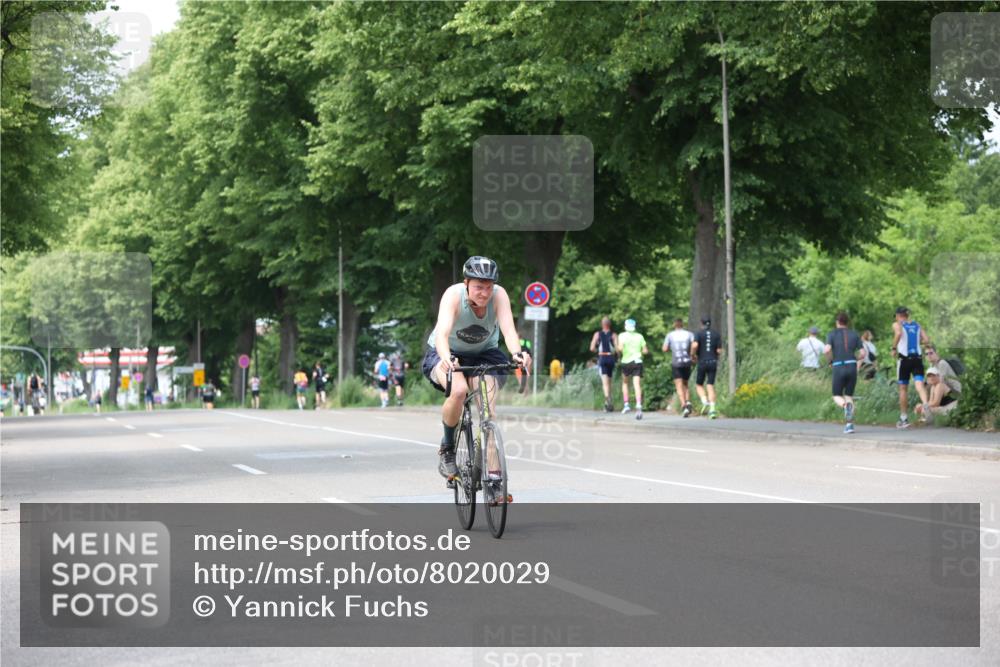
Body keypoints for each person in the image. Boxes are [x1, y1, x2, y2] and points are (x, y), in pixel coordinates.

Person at [422, 255, 531, 484]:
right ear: (466, 284)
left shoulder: (499, 295)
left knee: (488, 412)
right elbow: (442, 334)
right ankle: (448, 447)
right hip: (446, 351)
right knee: (459, 391)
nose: (484, 293)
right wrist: (446, 357)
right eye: (479, 287)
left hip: (484, 353)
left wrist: (517, 354)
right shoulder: (453, 295)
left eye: (488, 287)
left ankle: (493, 477)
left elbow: (509, 331)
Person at [891, 306, 931, 429]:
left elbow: (898, 333)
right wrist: (916, 342)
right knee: (919, 384)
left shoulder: (897, 324)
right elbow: (927, 340)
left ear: (898, 315)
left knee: (903, 388)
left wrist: (893, 348)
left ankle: (904, 418)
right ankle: (925, 406)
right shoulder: (917, 325)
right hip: (917, 359)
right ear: (907, 315)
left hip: (904, 359)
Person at [823, 312, 863, 434]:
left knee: (836, 395)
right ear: (847, 322)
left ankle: (845, 407)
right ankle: (849, 425)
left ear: (837, 322)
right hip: (851, 365)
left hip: (838, 366)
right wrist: (855, 360)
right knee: (849, 395)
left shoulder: (831, 334)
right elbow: (863, 353)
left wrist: (830, 360)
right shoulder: (855, 334)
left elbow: (827, 349)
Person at [691, 316, 723, 418]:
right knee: (710, 385)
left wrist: (693, 355)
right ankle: (712, 409)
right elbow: (719, 351)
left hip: (702, 361)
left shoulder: (698, 333)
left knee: (699, 384)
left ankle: (705, 401)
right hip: (713, 361)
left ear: (701, 323)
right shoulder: (716, 334)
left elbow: (695, 345)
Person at [663, 318, 695, 417]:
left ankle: (684, 405)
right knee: (685, 383)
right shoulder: (689, 334)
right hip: (687, 362)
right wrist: (692, 356)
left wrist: (670, 348)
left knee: (678, 385)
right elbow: (694, 345)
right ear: (682, 325)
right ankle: (688, 401)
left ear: (674, 325)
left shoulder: (670, 335)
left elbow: (664, 349)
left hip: (676, 362)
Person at [617, 318, 649, 420]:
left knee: (625, 383)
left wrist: (623, 348)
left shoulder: (622, 335)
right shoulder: (640, 336)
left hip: (626, 362)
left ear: (626, 326)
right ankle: (638, 405)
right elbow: (645, 351)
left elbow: (620, 348)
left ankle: (626, 404)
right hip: (637, 362)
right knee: (637, 384)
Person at [589, 317, 619, 412]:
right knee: (609, 381)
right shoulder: (614, 335)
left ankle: (607, 402)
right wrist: (618, 357)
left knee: (604, 382)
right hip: (611, 359)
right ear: (609, 325)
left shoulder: (597, 334)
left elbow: (592, 348)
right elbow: (617, 349)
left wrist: (597, 349)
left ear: (602, 325)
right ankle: (609, 401)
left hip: (602, 358)